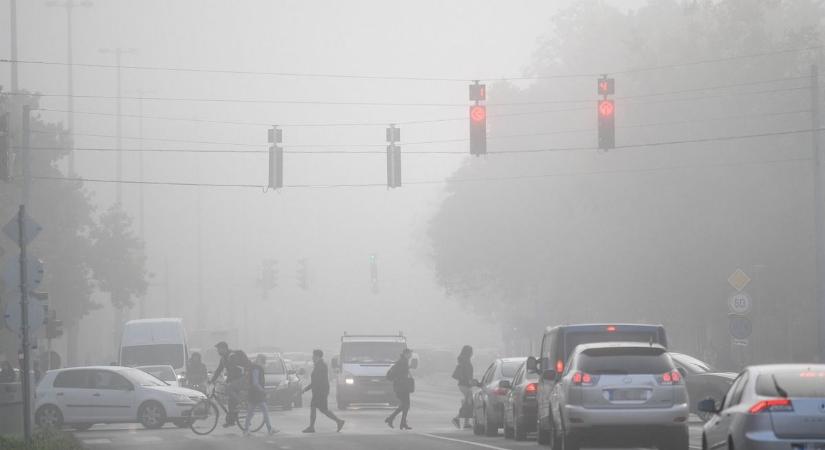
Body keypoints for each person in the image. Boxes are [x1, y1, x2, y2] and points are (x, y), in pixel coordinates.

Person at [302, 349, 345, 433]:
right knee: (322, 409)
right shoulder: (319, 365)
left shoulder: (321, 366)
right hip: (319, 391)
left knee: (317, 408)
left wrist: (306, 389)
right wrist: (307, 389)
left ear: (317, 356)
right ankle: (338, 421)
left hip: (320, 392)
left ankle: (312, 427)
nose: (312, 358)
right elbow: (315, 381)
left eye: (313, 356)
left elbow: (317, 381)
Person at [209, 341, 245, 427]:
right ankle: (231, 421)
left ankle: (241, 402)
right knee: (230, 402)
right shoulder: (223, 359)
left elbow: (234, 369)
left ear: (224, 348)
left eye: (219, 349)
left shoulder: (232, 356)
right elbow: (219, 370)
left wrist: (227, 380)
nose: (218, 351)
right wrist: (212, 380)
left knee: (229, 389)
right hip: (233, 379)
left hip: (240, 378)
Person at [241, 354, 278, 436]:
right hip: (256, 393)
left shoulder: (254, 367)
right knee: (263, 410)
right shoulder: (256, 368)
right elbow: (255, 382)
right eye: (264, 361)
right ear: (260, 360)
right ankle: (269, 429)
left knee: (251, 412)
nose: (264, 363)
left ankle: (246, 430)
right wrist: (263, 391)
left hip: (253, 393)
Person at [384, 348, 414, 430]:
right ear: (405, 354)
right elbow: (401, 375)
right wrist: (408, 369)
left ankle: (394, 420)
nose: (411, 355)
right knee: (406, 405)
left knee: (404, 405)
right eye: (409, 353)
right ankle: (398, 422)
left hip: (401, 387)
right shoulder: (402, 362)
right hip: (402, 387)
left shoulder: (402, 361)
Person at [451, 345, 474, 429]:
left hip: (463, 384)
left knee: (468, 403)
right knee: (468, 403)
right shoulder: (466, 361)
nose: (472, 353)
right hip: (465, 384)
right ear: (468, 352)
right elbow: (468, 374)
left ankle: (466, 423)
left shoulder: (463, 360)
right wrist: (471, 382)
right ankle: (457, 418)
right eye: (471, 351)